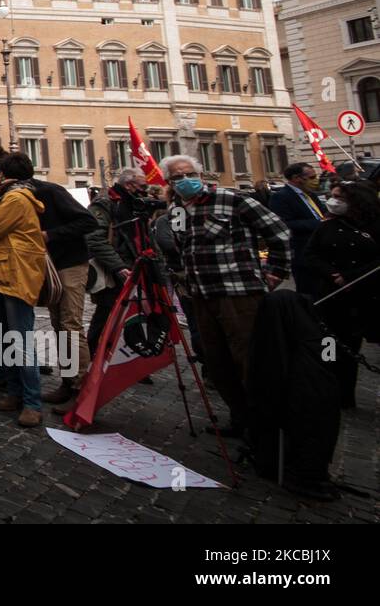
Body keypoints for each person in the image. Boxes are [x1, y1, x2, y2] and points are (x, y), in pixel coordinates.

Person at [161, 154, 290, 438]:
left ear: (200, 174)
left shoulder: (233, 199)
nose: (183, 181)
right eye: (176, 178)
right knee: (217, 362)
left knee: (248, 359)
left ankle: (268, 429)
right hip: (201, 296)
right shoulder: (177, 211)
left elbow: (278, 232)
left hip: (238, 293)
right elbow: (184, 248)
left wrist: (275, 273)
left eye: (187, 174)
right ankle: (241, 418)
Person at [0, 153, 47, 427]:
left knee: (21, 339)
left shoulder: (16, 198)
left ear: (3, 175)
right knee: (5, 337)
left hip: (15, 275)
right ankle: (15, 392)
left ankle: (32, 402)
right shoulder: (10, 196)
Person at [303, 180, 380, 409]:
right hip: (330, 295)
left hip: (363, 295)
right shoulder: (327, 225)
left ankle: (346, 393)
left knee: (351, 347)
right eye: (332, 195)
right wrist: (331, 274)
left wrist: (352, 276)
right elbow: (311, 254)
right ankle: (328, 388)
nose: (333, 200)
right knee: (329, 345)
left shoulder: (374, 227)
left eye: (339, 197)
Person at [29, 170, 99, 409]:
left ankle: (82, 388)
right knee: (59, 324)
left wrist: (51, 234)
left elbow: (88, 221)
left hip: (70, 263)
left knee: (70, 324)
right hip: (51, 265)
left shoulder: (51, 191)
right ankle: (68, 382)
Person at [86, 167, 151, 355]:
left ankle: (134, 357)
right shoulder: (106, 203)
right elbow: (94, 238)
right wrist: (118, 266)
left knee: (133, 314)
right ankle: (94, 356)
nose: (145, 190)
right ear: (129, 185)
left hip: (136, 265)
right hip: (114, 269)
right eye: (142, 186)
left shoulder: (134, 204)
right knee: (107, 314)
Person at [269, 163, 328, 294]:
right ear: (297, 178)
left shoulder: (311, 195)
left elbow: (322, 213)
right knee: (310, 292)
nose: (315, 180)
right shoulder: (281, 197)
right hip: (303, 253)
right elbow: (283, 224)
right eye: (312, 177)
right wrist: (318, 223)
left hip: (322, 252)